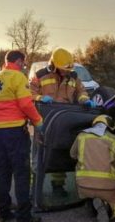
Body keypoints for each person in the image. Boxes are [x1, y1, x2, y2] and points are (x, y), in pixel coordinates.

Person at [0, 50, 43, 222]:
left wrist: (0, 115)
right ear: (18, 61)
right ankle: (24, 216)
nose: (24, 66)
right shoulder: (18, 78)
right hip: (16, 132)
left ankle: (2, 213)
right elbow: (26, 104)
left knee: (2, 174)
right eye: (23, 63)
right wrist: (38, 121)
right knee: (21, 174)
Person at [30, 47, 96, 197]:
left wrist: (84, 99)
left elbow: (81, 91)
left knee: (61, 151)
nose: (66, 72)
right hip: (45, 118)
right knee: (40, 153)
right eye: (63, 69)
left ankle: (58, 186)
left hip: (65, 118)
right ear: (54, 65)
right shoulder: (40, 75)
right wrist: (40, 98)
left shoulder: (73, 76)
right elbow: (29, 93)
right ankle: (34, 189)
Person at [70, 114, 115, 222]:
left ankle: (92, 203)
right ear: (111, 126)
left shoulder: (81, 136)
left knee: (91, 192)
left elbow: (72, 155)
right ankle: (108, 209)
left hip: (83, 186)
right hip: (108, 188)